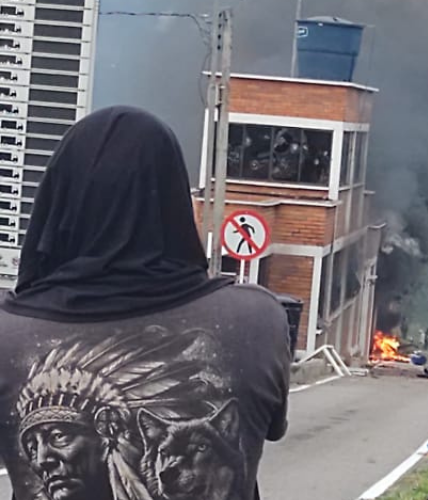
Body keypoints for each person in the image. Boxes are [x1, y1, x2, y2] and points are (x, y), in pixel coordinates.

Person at [0, 107, 292, 500]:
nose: (46, 457)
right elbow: (271, 429)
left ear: (58, 200)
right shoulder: (258, 320)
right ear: (173, 200)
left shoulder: (7, 335)